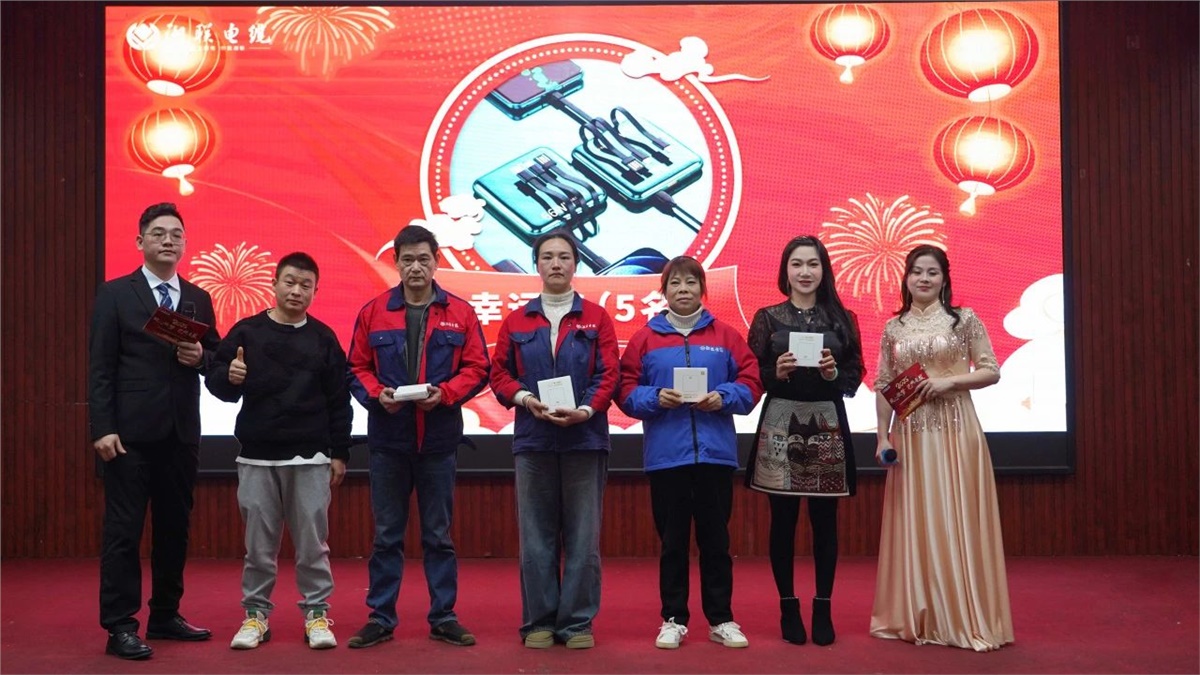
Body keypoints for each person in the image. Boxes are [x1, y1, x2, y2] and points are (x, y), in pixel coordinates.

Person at [345, 224, 489, 649]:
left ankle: (444, 616)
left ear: (436, 261)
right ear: (396, 263)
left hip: (438, 442)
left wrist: (445, 394)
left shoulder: (460, 312)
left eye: (423, 259)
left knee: (438, 536)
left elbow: (477, 368)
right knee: (386, 536)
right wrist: (377, 395)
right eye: (407, 260)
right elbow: (356, 368)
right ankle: (380, 617)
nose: (415, 268)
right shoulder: (374, 311)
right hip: (388, 442)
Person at [88, 202, 220, 659]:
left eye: (176, 234)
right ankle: (120, 625)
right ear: (140, 241)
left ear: (185, 244)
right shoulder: (115, 294)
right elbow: (100, 367)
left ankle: (165, 613)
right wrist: (102, 427)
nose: (168, 240)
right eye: (159, 233)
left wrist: (201, 358)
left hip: (180, 435)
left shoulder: (198, 298)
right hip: (128, 436)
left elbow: (216, 359)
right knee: (123, 532)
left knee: (174, 528)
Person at [869, 245, 1013, 651]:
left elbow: (991, 370)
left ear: (944, 279)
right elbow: (884, 385)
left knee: (957, 517)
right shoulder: (893, 327)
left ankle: (964, 617)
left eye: (932, 272)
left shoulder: (963, 320)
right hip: (911, 435)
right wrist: (882, 436)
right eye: (917, 271)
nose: (924, 279)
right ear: (906, 278)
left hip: (955, 430)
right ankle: (921, 615)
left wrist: (951, 382)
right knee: (917, 518)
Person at [205, 252, 352, 650]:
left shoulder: (323, 338)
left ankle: (317, 614)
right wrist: (230, 376)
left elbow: (339, 400)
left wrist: (340, 452)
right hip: (257, 456)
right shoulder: (247, 332)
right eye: (289, 282)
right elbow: (218, 383)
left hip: (310, 458)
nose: (296, 291)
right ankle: (255, 616)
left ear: (316, 291)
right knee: (258, 548)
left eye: (306, 285)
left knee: (312, 546)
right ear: (274, 284)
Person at [617, 256, 763, 650]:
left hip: (715, 456)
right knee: (673, 543)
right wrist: (654, 397)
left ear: (702, 289)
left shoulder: (726, 335)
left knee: (717, 542)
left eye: (691, 282)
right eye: (675, 283)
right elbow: (625, 390)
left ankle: (722, 619)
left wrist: (723, 396)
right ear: (663, 291)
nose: (683, 289)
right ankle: (673, 619)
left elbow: (751, 382)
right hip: (667, 458)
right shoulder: (645, 338)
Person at [489, 231, 620, 650]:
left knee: (583, 537)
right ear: (537, 264)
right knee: (535, 537)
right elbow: (499, 374)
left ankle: (577, 623)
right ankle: (539, 622)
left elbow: (609, 374)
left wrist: (586, 410)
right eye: (548, 257)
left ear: (576, 264)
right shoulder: (517, 321)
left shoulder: (597, 318)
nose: (556, 263)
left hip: (585, 438)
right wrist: (526, 400)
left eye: (564, 256)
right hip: (534, 440)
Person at [744, 235, 863, 646]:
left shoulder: (842, 319)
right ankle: (788, 606)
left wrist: (833, 374)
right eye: (797, 264)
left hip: (826, 422)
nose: (805, 272)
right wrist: (774, 372)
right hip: (780, 421)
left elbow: (855, 377)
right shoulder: (767, 318)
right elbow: (750, 375)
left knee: (825, 522)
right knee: (783, 521)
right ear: (785, 271)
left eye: (813, 264)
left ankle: (823, 606)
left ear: (824, 269)